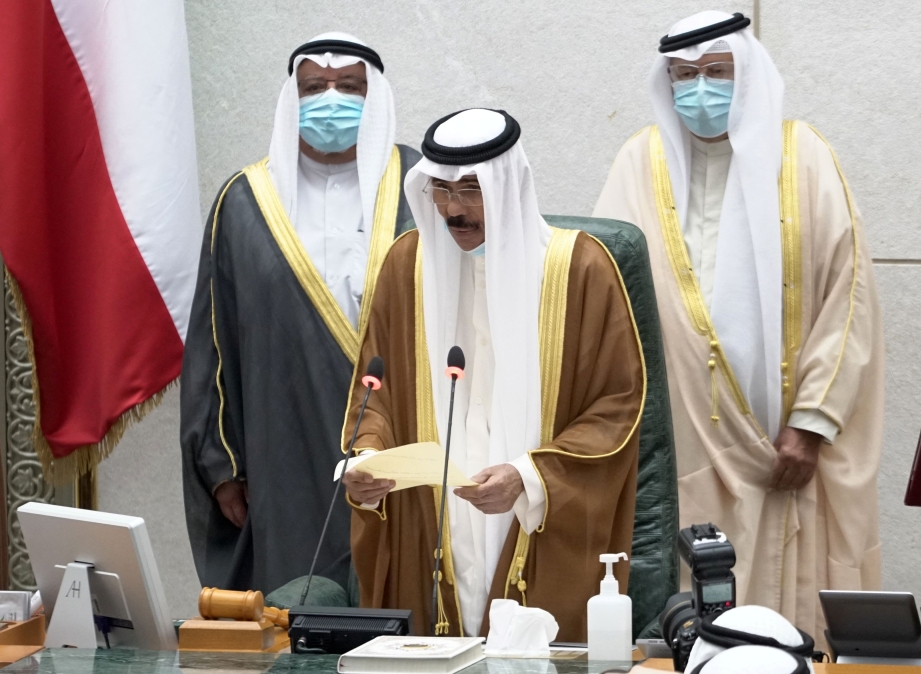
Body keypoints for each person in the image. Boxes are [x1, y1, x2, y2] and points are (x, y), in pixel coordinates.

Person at [593, 10, 883, 638]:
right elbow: (606, 297)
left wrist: (812, 423)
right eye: (683, 76)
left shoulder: (804, 156)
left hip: (786, 447)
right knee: (689, 606)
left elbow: (849, 293)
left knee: (784, 618)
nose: (699, 89)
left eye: (717, 72)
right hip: (681, 443)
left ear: (746, 72)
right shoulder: (637, 161)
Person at [341, 108, 645, 639]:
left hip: (533, 518)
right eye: (441, 189)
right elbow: (376, 392)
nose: (453, 210)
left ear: (507, 184)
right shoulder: (406, 266)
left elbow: (617, 405)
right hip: (430, 518)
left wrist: (529, 478)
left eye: (472, 191)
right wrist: (367, 460)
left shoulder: (580, 269)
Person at [180, 32, 421, 595]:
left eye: (350, 87)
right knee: (301, 605)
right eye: (315, 86)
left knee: (403, 604)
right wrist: (222, 467)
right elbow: (211, 345)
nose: (331, 98)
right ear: (293, 96)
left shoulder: (422, 186)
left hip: (405, 441)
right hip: (281, 447)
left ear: (375, 97)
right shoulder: (244, 201)